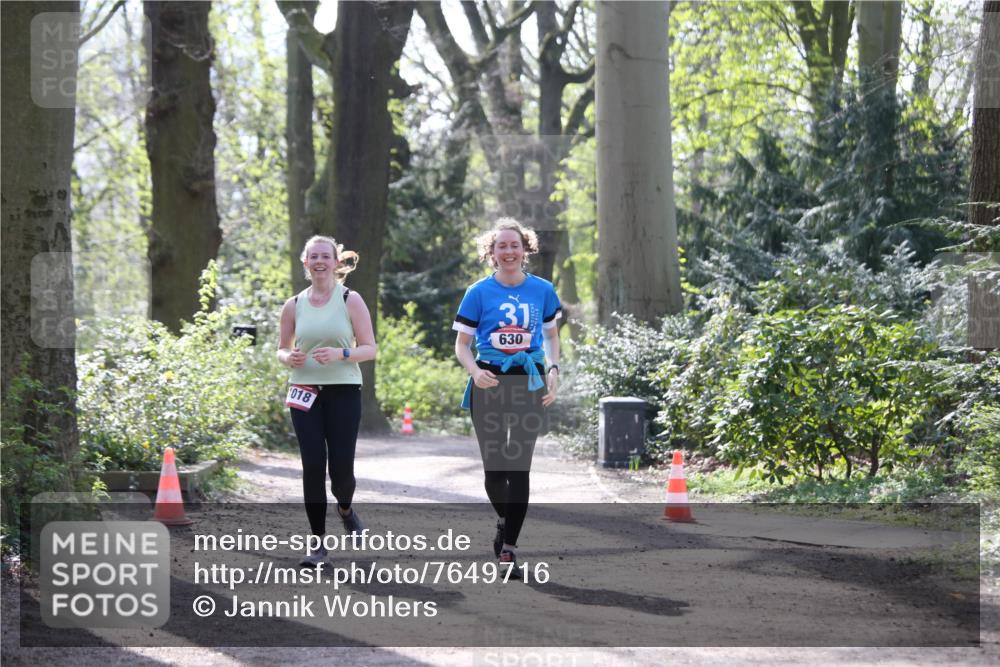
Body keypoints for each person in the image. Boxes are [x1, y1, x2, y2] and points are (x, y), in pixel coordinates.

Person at [453, 218, 561, 568]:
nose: (509, 251)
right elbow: (462, 345)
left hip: (529, 380)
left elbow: (552, 337)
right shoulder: (478, 292)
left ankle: (509, 549)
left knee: (520, 467)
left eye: (515, 245)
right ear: (492, 252)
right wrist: (476, 371)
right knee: (495, 472)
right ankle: (505, 520)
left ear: (525, 249)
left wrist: (554, 370)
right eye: (502, 245)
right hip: (491, 381)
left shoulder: (543, 290)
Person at [278, 235, 377, 566]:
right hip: (304, 391)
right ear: (305, 263)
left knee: (341, 471)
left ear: (336, 262)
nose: (320, 261)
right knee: (312, 467)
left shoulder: (350, 299)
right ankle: (317, 545)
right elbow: (281, 348)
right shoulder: (293, 304)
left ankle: (346, 508)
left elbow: (370, 348)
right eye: (313, 256)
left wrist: (341, 353)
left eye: (326, 256)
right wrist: (287, 357)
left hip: (343, 390)